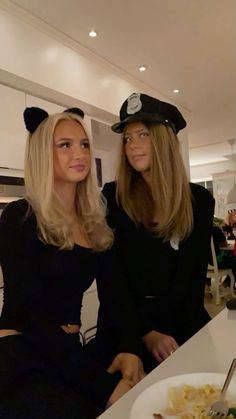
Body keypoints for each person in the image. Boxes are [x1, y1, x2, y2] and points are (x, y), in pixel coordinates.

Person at [0, 107, 144, 419]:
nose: (79, 153)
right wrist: (105, 387)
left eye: (84, 144)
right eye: (65, 145)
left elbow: (116, 294)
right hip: (21, 354)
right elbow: (30, 318)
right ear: (42, 154)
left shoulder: (94, 223)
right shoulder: (20, 217)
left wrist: (129, 347)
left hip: (66, 351)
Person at [102, 93, 215, 372]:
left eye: (142, 135)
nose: (133, 146)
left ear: (164, 139)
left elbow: (193, 279)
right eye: (128, 138)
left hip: (184, 324)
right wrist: (147, 333)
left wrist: (175, 338)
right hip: (129, 328)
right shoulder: (113, 198)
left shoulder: (199, 201)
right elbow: (112, 279)